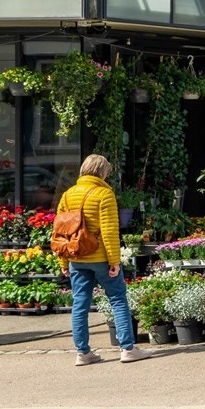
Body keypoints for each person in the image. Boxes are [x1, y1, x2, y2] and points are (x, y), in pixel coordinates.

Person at [55, 154, 147, 365]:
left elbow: (61, 232)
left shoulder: (67, 196)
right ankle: (127, 349)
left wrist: (63, 262)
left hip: (76, 257)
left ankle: (83, 353)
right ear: (102, 172)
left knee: (80, 304)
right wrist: (114, 261)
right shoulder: (104, 194)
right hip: (101, 258)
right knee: (117, 299)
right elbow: (109, 231)